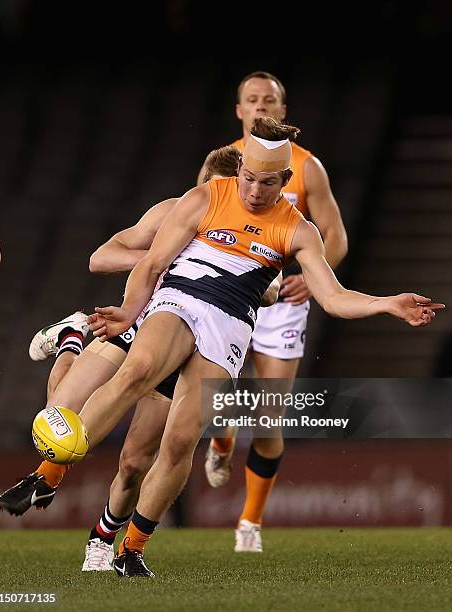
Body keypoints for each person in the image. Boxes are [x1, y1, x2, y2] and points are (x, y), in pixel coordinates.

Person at [61, 117, 440, 578]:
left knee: (178, 441)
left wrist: (387, 304)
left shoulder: (296, 229)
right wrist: (130, 307)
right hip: (168, 308)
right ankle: (57, 464)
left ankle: (131, 548)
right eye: (247, 179)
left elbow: (332, 297)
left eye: (266, 182)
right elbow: (140, 260)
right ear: (236, 173)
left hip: (226, 329)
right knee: (127, 395)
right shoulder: (201, 199)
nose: (254, 190)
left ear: (283, 181)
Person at [0, 146, 277, 571]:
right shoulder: (174, 211)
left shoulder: (258, 227)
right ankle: (72, 341)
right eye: (208, 189)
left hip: (196, 346)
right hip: (143, 325)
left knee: (134, 461)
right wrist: (169, 258)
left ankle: (105, 540)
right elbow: (100, 257)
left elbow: (270, 289)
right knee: (58, 413)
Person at [199, 71, 348, 552]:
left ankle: (250, 524)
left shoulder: (307, 168)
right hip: (229, 293)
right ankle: (221, 440)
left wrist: (313, 274)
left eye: (270, 101)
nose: (261, 107)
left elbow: (334, 235)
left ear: (283, 113)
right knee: (218, 398)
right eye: (252, 100)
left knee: (268, 416)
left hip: (281, 304)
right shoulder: (223, 163)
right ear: (239, 110)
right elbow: (194, 218)